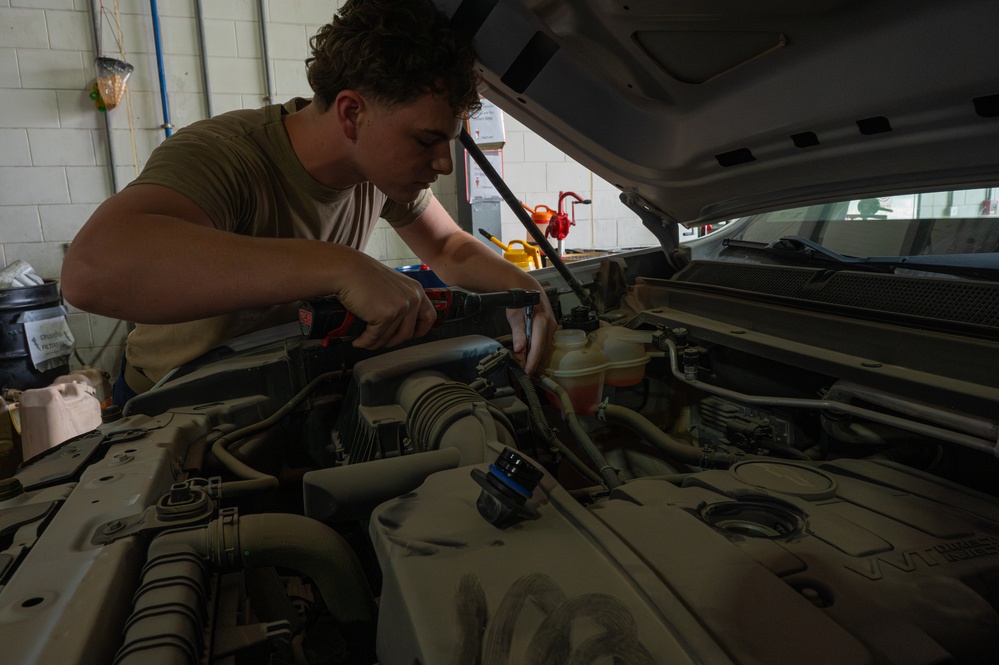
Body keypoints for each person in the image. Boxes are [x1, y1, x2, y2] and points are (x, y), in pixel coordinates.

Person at [61, 0, 556, 407]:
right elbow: (89, 271)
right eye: (426, 140)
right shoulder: (224, 155)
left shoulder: (378, 170)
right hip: (176, 409)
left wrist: (524, 290)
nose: (443, 164)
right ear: (351, 113)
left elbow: (448, 245)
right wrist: (341, 267)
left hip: (293, 396)